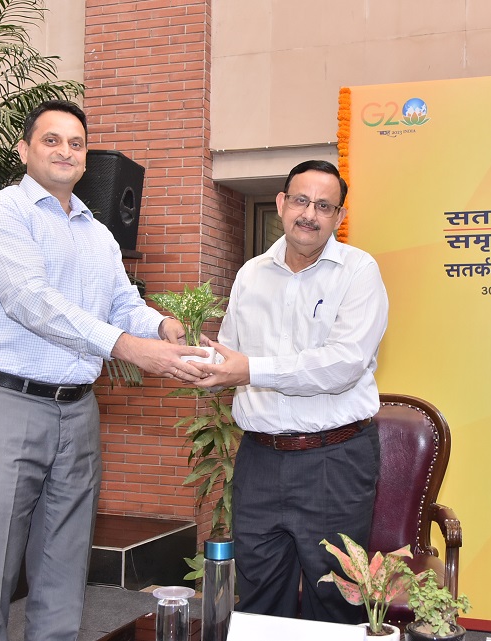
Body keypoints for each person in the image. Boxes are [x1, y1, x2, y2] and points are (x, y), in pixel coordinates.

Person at [0, 99, 207, 641]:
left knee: (65, 564)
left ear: (86, 158)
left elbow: (122, 304)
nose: (64, 151)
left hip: (78, 412)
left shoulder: (98, 233)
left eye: (76, 143)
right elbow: (31, 301)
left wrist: (162, 326)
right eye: (51, 140)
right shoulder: (0, 212)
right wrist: (127, 348)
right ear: (23, 150)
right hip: (6, 405)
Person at [192, 159, 389, 623]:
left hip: (334, 460)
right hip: (259, 458)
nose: (310, 214)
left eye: (324, 206)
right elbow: (232, 355)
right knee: (259, 598)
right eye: (301, 200)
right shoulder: (251, 274)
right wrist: (194, 358)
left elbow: (343, 365)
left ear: (339, 216)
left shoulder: (359, 271)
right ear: (281, 203)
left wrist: (250, 369)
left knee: (335, 600)